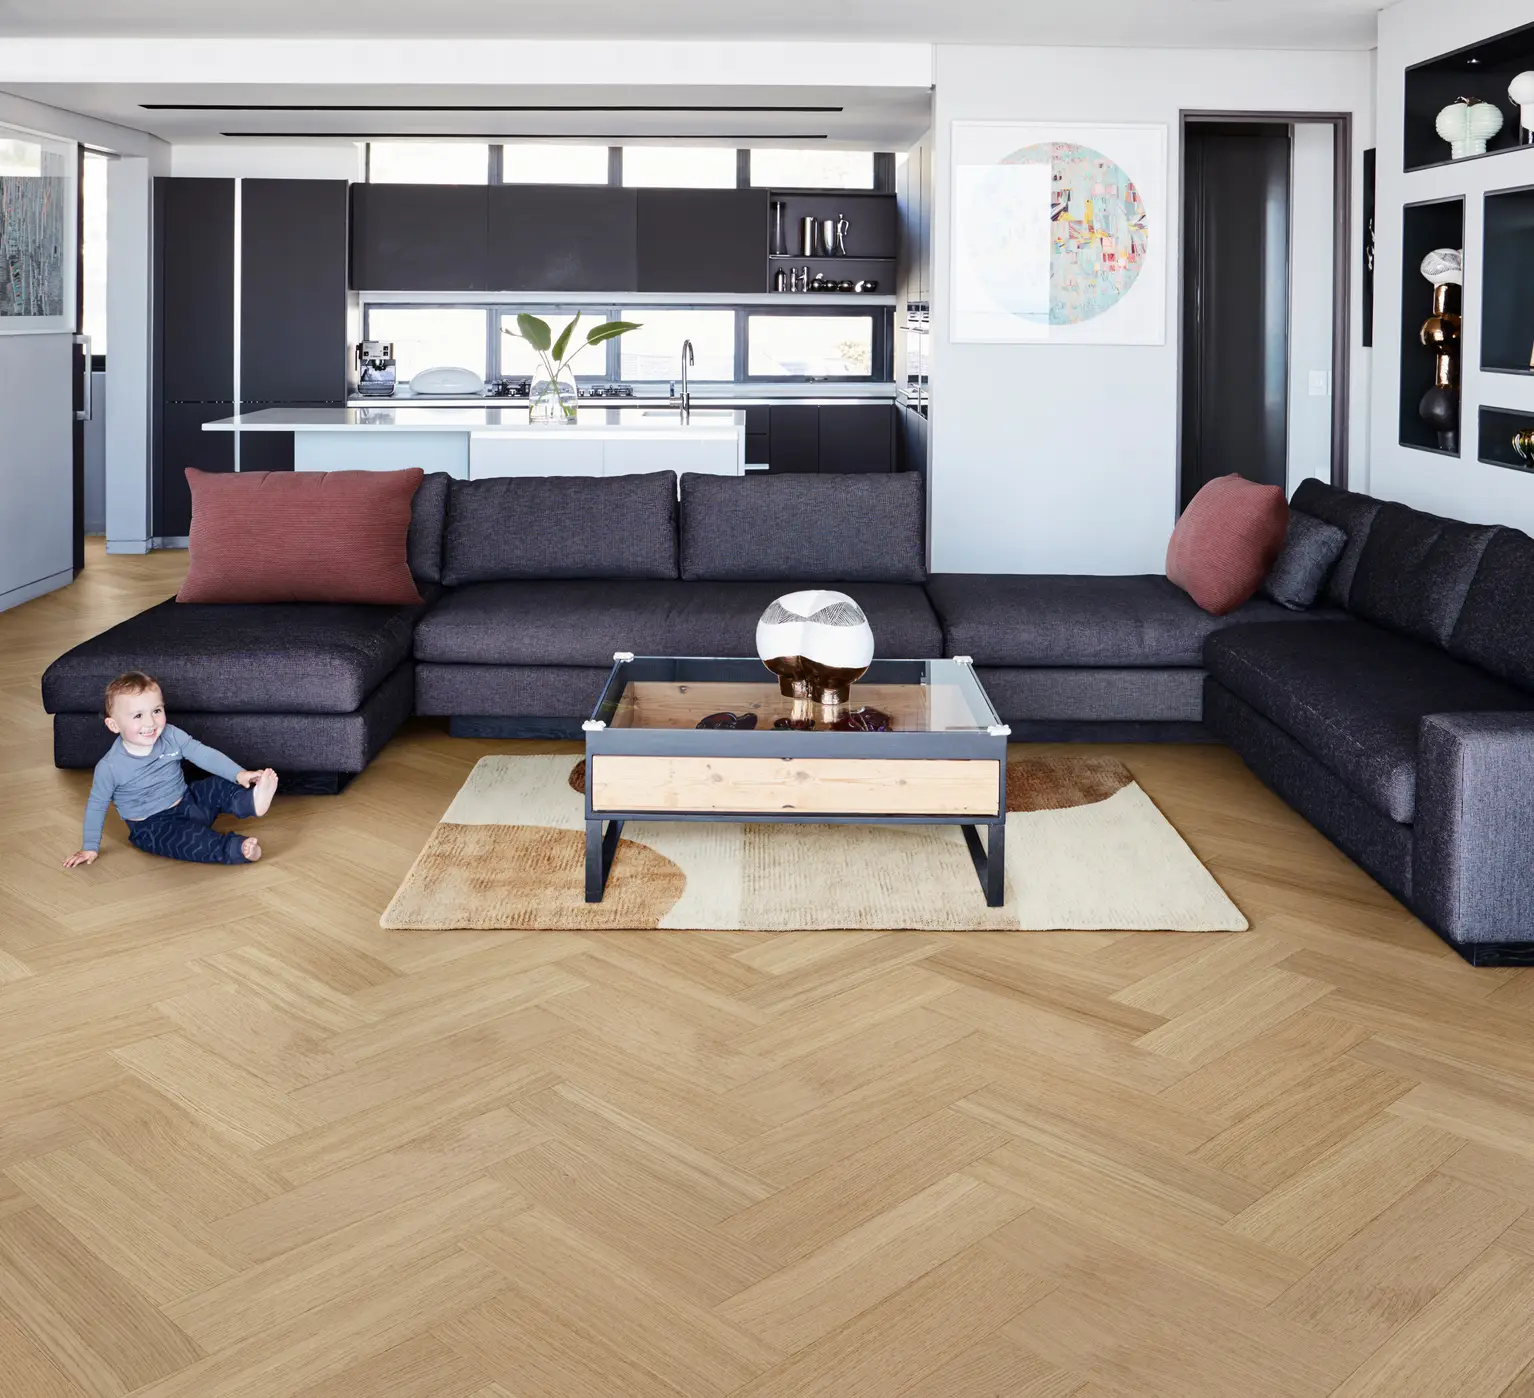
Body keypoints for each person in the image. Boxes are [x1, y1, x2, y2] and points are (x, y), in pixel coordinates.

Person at [62, 671, 278, 868]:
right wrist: (90, 847)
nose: (151, 722)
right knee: (190, 841)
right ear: (114, 725)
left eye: (156, 711)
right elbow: (96, 806)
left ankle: (250, 801)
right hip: (154, 826)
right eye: (138, 716)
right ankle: (236, 849)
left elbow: (204, 754)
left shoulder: (170, 735)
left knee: (215, 785)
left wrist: (239, 774)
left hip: (188, 802)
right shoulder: (109, 766)